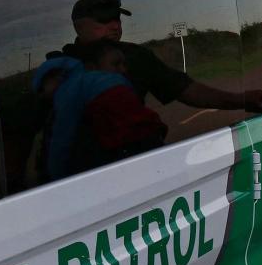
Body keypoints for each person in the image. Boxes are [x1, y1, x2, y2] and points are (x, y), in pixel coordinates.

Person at [51, 0, 262, 115]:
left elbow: (187, 90)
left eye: (116, 18)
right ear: (79, 26)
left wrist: (241, 99)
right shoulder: (58, 67)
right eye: (103, 20)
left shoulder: (136, 56)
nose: (114, 26)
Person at [32, 40, 167, 181]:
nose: (123, 70)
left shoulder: (68, 91)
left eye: (41, 89)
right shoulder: (112, 83)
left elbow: (62, 137)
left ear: (55, 78)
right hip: (150, 146)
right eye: (116, 64)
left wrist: (56, 178)